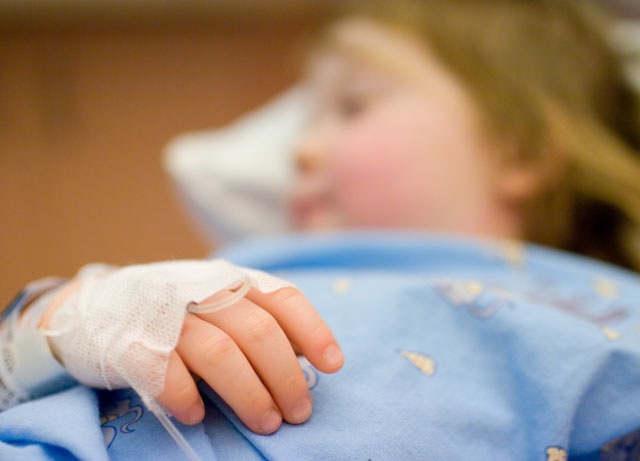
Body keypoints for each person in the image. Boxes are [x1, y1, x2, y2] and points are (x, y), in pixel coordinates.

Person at [3, 0, 640, 459]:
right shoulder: (236, 273)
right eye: (309, 116)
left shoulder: (605, 316)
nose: (302, 149)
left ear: (519, 146)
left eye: (353, 104)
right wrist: (60, 324)